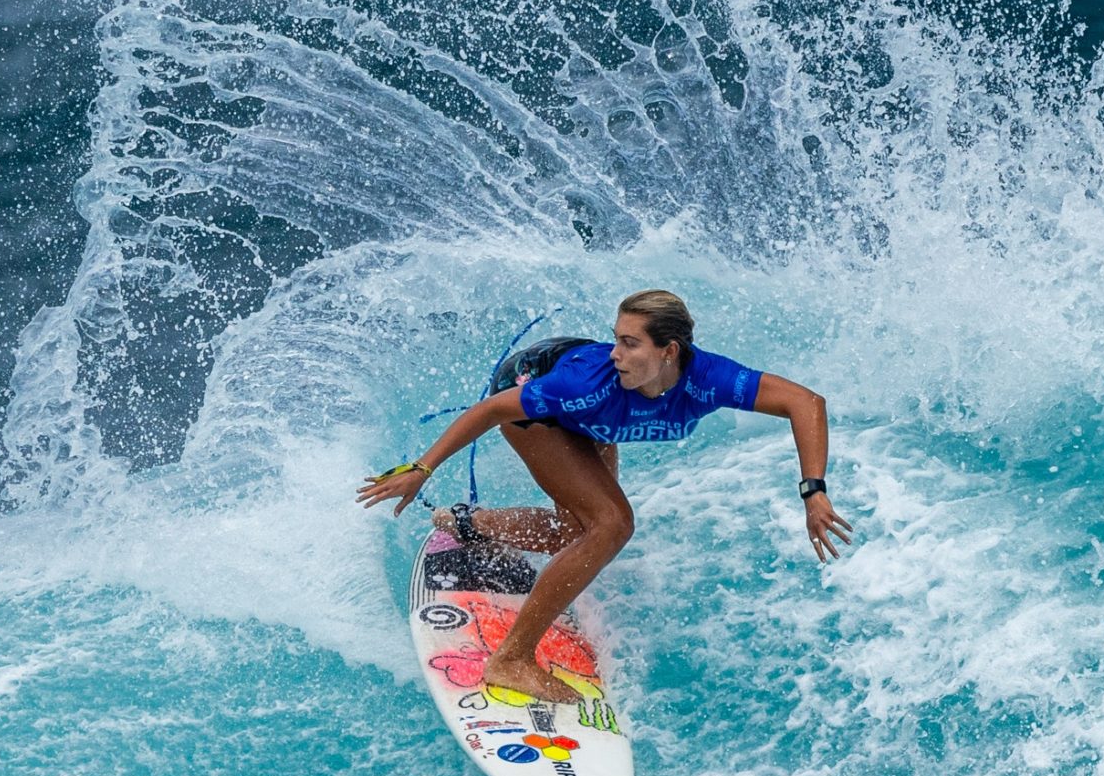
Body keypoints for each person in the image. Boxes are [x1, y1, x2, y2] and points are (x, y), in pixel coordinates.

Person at [356, 289, 853, 703]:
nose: (616, 352)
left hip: (592, 418)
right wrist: (423, 467)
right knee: (612, 524)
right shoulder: (589, 382)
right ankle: (509, 660)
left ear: (669, 352)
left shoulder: (708, 380)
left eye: (629, 343)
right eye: (616, 339)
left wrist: (813, 492)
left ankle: (468, 524)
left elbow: (804, 402)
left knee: (576, 533)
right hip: (535, 395)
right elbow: (490, 410)